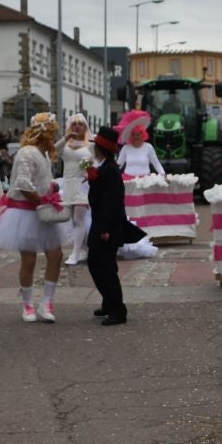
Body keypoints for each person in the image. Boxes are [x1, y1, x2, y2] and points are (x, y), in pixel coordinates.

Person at [0, 111, 70, 323]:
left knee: (55, 255)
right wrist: (42, 200)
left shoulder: (42, 154)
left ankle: (47, 302)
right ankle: (27, 305)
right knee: (29, 260)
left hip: (42, 210)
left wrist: (51, 187)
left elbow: (40, 179)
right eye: (53, 135)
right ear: (46, 136)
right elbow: (23, 183)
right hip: (26, 212)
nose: (54, 140)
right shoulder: (28, 153)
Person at [84, 125, 145, 326]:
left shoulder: (110, 171)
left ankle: (118, 309)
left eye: (96, 146)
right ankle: (109, 302)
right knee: (96, 263)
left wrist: (104, 230)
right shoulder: (105, 168)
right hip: (102, 223)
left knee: (105, 267)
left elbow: (110, 202)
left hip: (107, 226)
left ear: (101, 149)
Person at [57, 112, 97, 265]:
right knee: (73, 221)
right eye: (74, 124)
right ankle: (83, 249)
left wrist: (90, 170)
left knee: (78, 219)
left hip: (83, 184)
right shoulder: (66, 144)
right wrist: (66, 137)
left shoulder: (91, 144)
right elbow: (53, 151)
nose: (77, 126)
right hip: (68, 184)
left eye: (80, 124)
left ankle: (74, 254)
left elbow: (97, 163)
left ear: (85, 126)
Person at [115, 110, 165, 179]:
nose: (136, 137)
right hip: (128, 181)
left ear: (143, 134)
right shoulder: (126, 148)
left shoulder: (148, 147)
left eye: (138, 134)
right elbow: (118, 165)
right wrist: (112, 177)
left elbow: (156, 163)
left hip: (145, 181)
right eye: (134, 135)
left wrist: (163, 175)